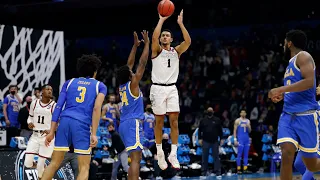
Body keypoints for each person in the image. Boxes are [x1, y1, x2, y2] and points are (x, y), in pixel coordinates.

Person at [41, 54, 107, 180]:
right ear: (95, 71)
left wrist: (51, 131)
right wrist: (94, 133)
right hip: (81, 125)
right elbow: (97, 108)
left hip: (65, 122)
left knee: (54, 163)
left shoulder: (69, 82)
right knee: (84, 168)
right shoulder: (100, 86)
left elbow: (58, 107)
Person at [268, 30, 320, 180]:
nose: (283, 45)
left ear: (289, 43)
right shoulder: (290, 64)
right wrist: (283, 95)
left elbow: (309, 82)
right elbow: (296, 87)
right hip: (288, 115)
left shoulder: (303, 56)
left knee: (311, 165)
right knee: (286, 153)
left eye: (285, 42)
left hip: (306, 115)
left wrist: (281, 89)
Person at [150, 9, 191, 170]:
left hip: (172, 88)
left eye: (167, 35)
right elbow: (154, 37)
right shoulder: (157, 50)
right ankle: (160, 152)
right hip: (158, 89)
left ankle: (173, 153)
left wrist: (180, 24)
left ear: (172, 39)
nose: (164, 37)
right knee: (159, 122)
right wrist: (161, 20)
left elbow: (188, 42)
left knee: (174, 121)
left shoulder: (176, 51)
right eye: (163, 36)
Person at [116, 30, 149, 180]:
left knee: (134, 158)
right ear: (130, 75)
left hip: (123, 124)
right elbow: (141, 63)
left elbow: (128, 65)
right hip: (132, 123)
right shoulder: (133, 84)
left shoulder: (122, 86)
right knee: (136, 159)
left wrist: (135, 47)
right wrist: (147, 44)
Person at [24, 84, 56, 179]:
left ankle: (41, 174)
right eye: (47, 89)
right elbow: (30, 117)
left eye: (51, 89)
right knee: (28, 163)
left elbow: (59, 121)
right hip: (35, 135)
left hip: (46, 137)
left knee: (40, 164)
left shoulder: (54, 105)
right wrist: (29, 122)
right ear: (42, 91)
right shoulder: (34, 103)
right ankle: (41, 168)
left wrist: (51, 130)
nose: (50, 91)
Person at [198, 107, 222, 178]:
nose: (210, 111)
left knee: (216, 157)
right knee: (204, 157)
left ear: (213, 112)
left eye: (211, 110)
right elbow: (200, 130)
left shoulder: (217, 120)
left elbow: (220, 130)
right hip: (205, 141)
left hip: (215, 141)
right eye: (208, 110)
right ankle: (203, 172)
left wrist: (221, 138)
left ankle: (218, 172)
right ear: (206, 112)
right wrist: (199, 139)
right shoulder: (203, 120)